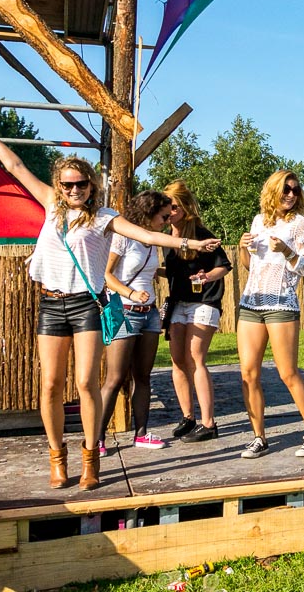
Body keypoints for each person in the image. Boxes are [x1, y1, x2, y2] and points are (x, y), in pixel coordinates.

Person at [0, 111, 220, 490]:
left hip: (86, 305)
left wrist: (189, 242)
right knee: (51, 384)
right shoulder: (51, 203)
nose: (74, 190)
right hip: (52, 303)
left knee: (85, 382)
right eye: (67, 185)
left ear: (90, 185)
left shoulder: (103, 217)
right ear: (59, 186)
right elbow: (15, 165)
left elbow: (147, 236)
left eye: (80, 184)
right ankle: (57, 457)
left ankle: (90, 457)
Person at [236, 170, 304, 459]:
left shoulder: (299, 223)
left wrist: (287, 250)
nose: (291, 194)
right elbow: (250, 265)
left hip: (281, 304)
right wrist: (243, 248)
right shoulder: (258, 221)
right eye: (286, 189)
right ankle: (259, 438)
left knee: (287, 373)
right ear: (273, 190)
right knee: (248, 374)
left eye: (295, 190)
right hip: (251, 302)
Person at [97, 190, 173, 454]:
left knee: (143, 376)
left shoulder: (152, 242)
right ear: (148, 213)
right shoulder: (123, 237)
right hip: (125, 312)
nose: (167, 221)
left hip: (149, 313)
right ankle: (96, 439)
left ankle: (141, 434)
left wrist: (171, 273)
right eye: (164, 216)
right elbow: (106, 275)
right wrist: (130, 293)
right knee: (115, 378)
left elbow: (146, 270)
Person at [163, 180, 233, 444]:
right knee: (177, 360)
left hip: (203, 301)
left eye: (174, 206)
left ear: (184, 207)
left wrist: (207, 277)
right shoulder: (165, 236)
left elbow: (224, 265)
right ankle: (188, 417)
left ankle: (209, 423)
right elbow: (173, 271)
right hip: (178, 303)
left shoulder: (200, 233)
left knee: (195, 359)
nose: (170, 212)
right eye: (166, 207)